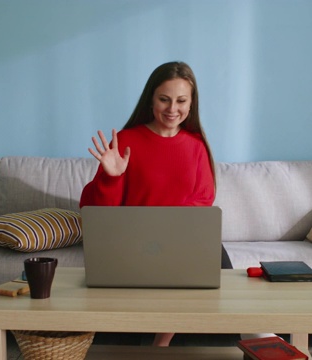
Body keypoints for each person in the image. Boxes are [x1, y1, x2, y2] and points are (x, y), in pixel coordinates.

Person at [79, 61, 232, 346]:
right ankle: (158, 344)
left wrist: (171, 229)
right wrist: (111, 179)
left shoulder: (196, 145)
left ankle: (163, 342)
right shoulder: (125, 141)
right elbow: (96, 212)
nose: (172, 109)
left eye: (181, 101)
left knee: (215, 255)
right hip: (133, 240)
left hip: (180, 239)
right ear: (151, 100)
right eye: (164, 99)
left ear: (191, 104)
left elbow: (203, 200)